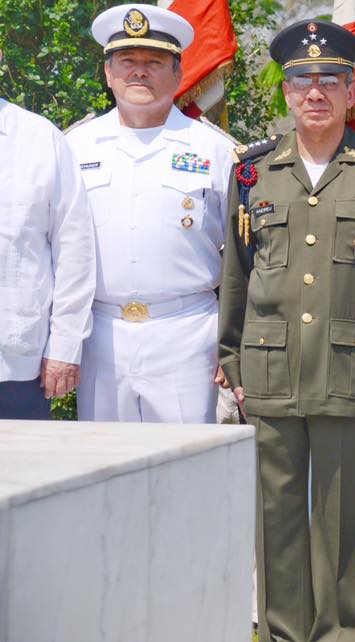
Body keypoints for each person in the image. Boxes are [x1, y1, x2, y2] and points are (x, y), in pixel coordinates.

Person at [218, 18, 355, 642]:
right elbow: (237, 273)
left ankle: (341, 633)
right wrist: (234, 362)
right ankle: (282, 632)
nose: (317, 91)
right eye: (303, 79)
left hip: (351, 374)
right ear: (286, 91)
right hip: (269, 371)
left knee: (343, 523)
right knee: (276, 521)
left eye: (332, 79)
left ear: (354, 91)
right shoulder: (252, 173)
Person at [66, 3, 236, 423]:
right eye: (127, 61)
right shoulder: (73, 146)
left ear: (178, 73)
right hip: (99, 336)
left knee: (184, 473)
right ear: (108, 73)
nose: (139, 71)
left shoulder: (215, 150)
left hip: (188, 334)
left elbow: (243, 254)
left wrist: (234, 342)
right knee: (103, 473)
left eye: (154, 62)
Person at [0, 50, 96, 419]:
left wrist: (65, 346)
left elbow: (74, 249)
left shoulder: (39, 138)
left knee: (22, 475)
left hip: (15, 363)